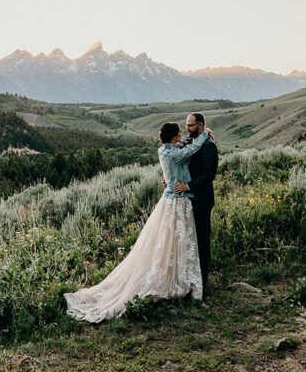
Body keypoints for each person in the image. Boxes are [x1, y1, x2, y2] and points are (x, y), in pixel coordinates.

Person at [63, 122, 210, 322]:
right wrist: (205, 135)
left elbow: (183, 146)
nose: (182, 133)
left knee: (170, 242)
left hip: (170, 200)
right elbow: (191, 149)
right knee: (179, 242)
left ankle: (175, 280)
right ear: (174, 135)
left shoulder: (164, 150)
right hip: (177, 202)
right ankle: (178, 283)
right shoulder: (173, 154)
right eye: (179, 132)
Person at [173, 112, 219, 298]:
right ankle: (190, 282)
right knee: (189, 242)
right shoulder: (192, 141)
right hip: (188, 200)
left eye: (190, 125)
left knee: (202, 243)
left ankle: (202, 286)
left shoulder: (209, 146)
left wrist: (188, 186)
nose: (187, 128)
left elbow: (208, 176)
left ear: (200, 125)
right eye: (186, 125)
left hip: (201, 201)